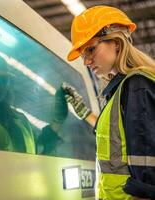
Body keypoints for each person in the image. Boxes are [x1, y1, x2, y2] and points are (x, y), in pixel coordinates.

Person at [62, 5, 155, 200]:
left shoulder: (137, 85)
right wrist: (87, 114)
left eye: (91, 49)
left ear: (116, 43)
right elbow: (119, 141)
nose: (86, 61)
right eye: (83, 55)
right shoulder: (122, 89)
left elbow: (147, 168)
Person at [0, 51, 67, 155]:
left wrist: (57, 121)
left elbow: (40, 154)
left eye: (3, 80)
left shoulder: (20, 120)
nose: (0, 87)